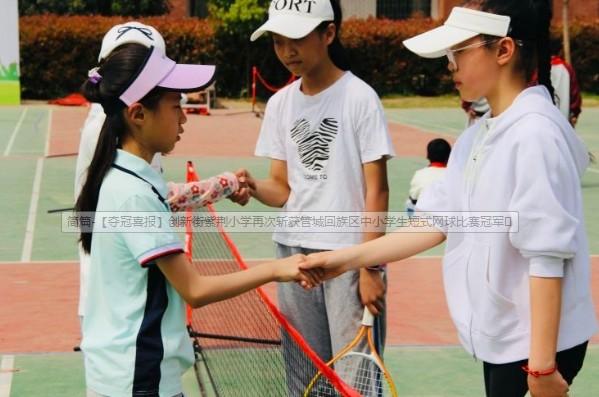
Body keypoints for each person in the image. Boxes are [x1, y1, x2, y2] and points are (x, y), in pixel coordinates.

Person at [300, 2, 598, 397]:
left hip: (535, 348)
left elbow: (546, 254)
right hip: (506, 339)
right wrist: (341, 260)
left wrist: (541, 368)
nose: (450, 65)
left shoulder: (535, 135)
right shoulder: (479, 134)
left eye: (459, 51)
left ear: (504, 50)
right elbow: (434, 221)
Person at [75, 43, 320, 397]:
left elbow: (176, 195)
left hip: (122, 373)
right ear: (138, 114)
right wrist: (276, 270)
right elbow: (195, 290)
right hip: (139, 378)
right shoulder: (134, 195)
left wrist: (224, 184)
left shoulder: (121, 176)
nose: (184, 117)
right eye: (176, 106)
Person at [233, 0, 395, 392]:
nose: (287, 52)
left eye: (297, 40)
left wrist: (370, 267)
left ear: (328, 33)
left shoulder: (360, 98)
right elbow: (282, 187)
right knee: (303, 378)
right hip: (293, 257)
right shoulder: (280, 104)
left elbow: (378, 188)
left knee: (355, 383)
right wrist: (254, 188)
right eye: (277, 41)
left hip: (348, 256)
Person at [75, 22, 239, 326]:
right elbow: (156, 199)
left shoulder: (123, 125)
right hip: (129, 316)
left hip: (123, 305)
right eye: (174, 103)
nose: (183, 118)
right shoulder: (117, 135)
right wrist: (224, 185)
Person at [406, 138, 451, 214]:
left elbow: (414, 198)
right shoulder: (453, 175)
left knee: (409, 203)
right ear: (449, 156)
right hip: (446, 215)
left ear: (428, 155)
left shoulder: (419, 174)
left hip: (424, 216)